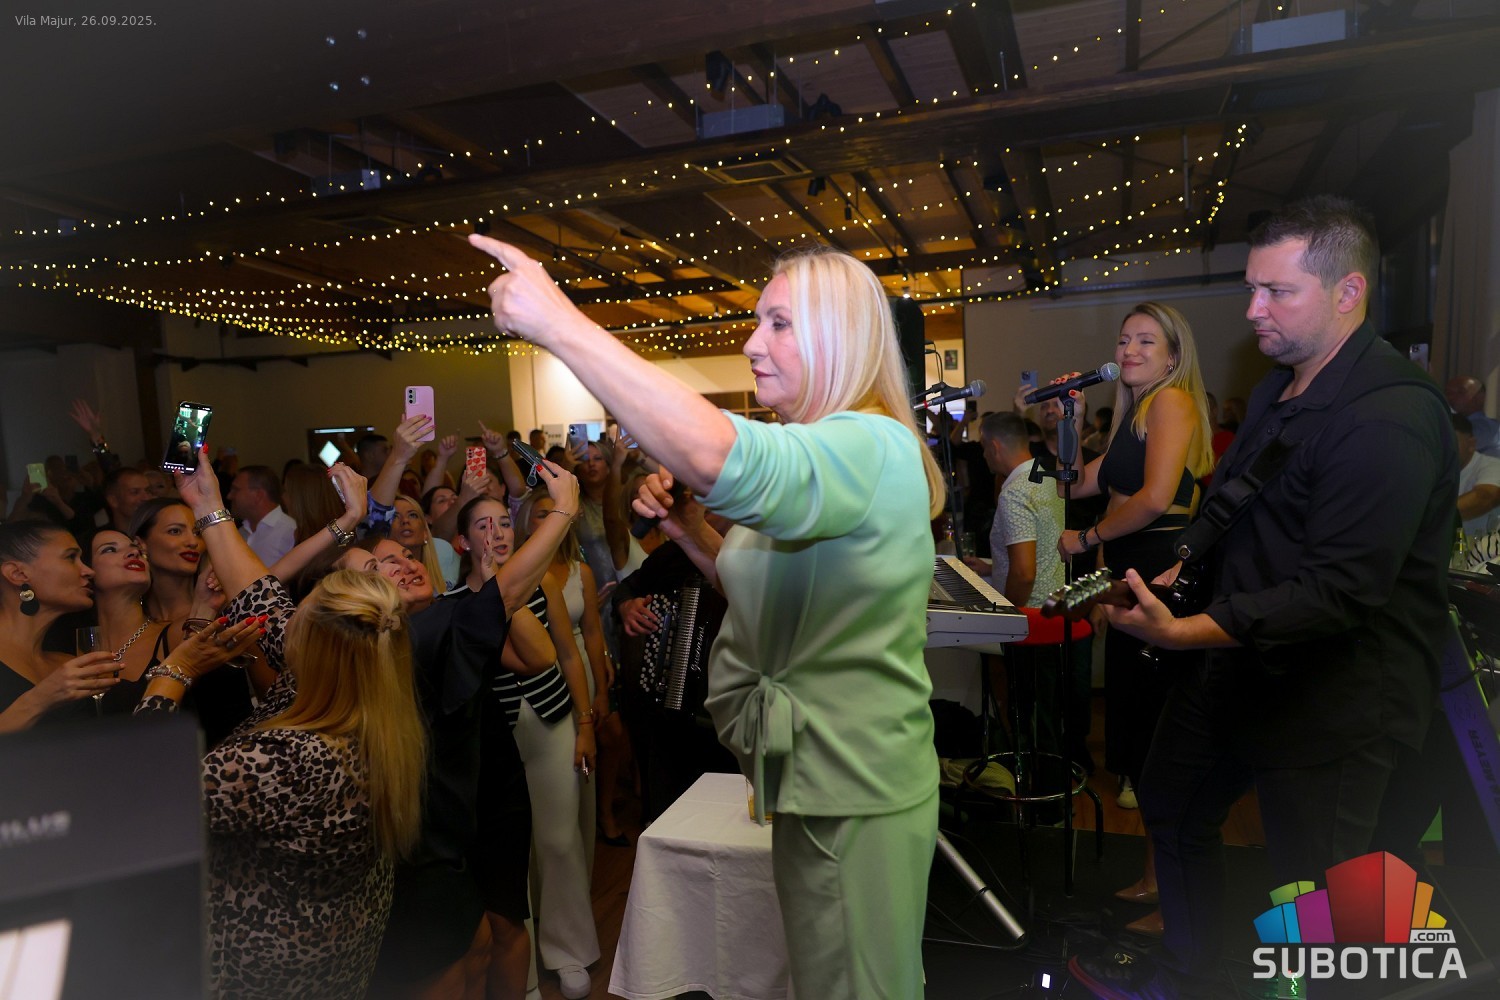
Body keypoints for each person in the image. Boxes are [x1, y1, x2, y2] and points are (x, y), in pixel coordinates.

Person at [471, 235, 945, 998]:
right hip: (814, 783)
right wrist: (691, 532)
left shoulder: (868, 445)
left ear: (841, 338)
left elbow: (717, 455)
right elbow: (768, 587)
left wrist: (558, 322)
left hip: (854, 790)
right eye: (758, 322)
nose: (753, 343)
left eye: (779, 324)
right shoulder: (824, 448)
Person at [1069, 196, 1457, 1000]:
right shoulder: (1283, 388)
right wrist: (1181, 575)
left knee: (1321, 895)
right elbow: (1238, 513)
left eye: (1277, 292)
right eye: (1253, 288)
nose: (1253, 311)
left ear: (1348, 292)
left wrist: (1185, 633)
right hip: (1242, 663)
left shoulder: (1389, 413)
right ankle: (1191, 971)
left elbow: (1339, 590)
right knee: (1172, 803)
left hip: (1337, 692)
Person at [138, 452, 427, 999]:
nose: (285, 615)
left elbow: (149, 798)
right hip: (333, 966)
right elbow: (263, 597)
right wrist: (209, 506)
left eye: (302, 609)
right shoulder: (369, 699)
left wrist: (174, 673)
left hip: (256, 977)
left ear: (311, 647)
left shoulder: (284, 756)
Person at [0, 521, 121, 728]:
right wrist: (40, 699)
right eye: (71, 557)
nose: (88, 571)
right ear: (18, 574)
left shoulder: (70, 665)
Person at [228, 464, 298, 564]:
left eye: (236, 490)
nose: (229, 496)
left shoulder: (290, 532)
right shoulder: (241, 532)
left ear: (258, 495)